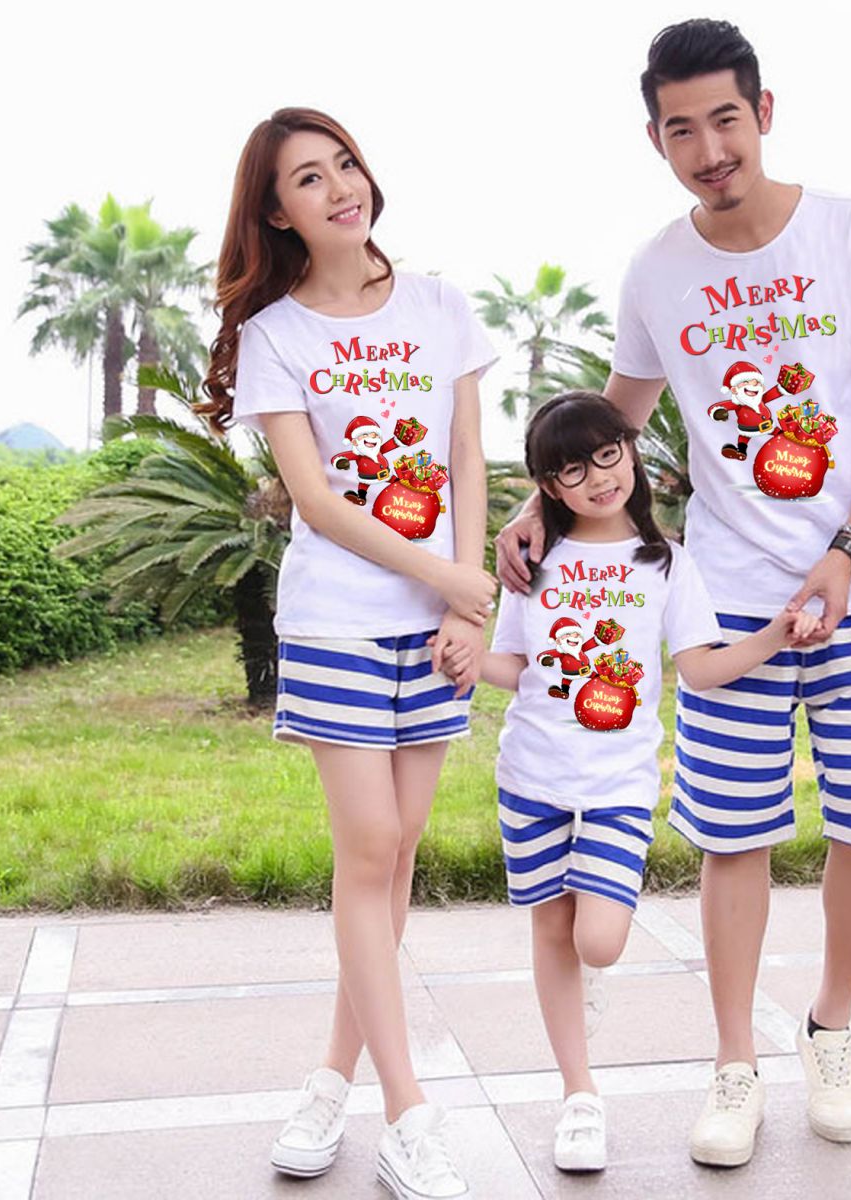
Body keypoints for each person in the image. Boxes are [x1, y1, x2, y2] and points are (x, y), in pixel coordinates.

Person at [495, 19, 851, 1169]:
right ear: (656, 139)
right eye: (681, 129)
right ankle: (733, 1063)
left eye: (726, 120)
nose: (709, 150)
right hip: (729, 595)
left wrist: (846, 551)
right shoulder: (658, 270)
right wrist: (540, 505)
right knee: (733, 837)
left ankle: (830, 1029)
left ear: (764, 112)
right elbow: (620, 415)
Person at [200, 107, 496, 1200]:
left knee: (398, 853)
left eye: (345, 165)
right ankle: (409, 1113)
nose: (339, 189)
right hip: (337, 623)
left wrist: (467, 602)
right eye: (309, 179)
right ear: (277, 211)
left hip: (437, 626)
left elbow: (466, 458)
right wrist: (448, 579)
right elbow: (317, 501)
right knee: (369, 847)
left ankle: (330, 1079)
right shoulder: (276, 333)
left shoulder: (439, 306)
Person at [444, 391, 817, 1173]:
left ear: (631, 451)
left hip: (617, 785)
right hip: (531, 776)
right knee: (552, 931)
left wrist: (771, 639)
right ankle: (580, 1095)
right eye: (571, 470)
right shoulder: (533, 564)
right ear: (548, 486)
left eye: (607, 455)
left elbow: (700, 669)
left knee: (599, 942)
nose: (597, 478)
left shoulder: (666, 563)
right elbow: (518, 665)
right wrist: (472, 664)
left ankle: (588, 980)